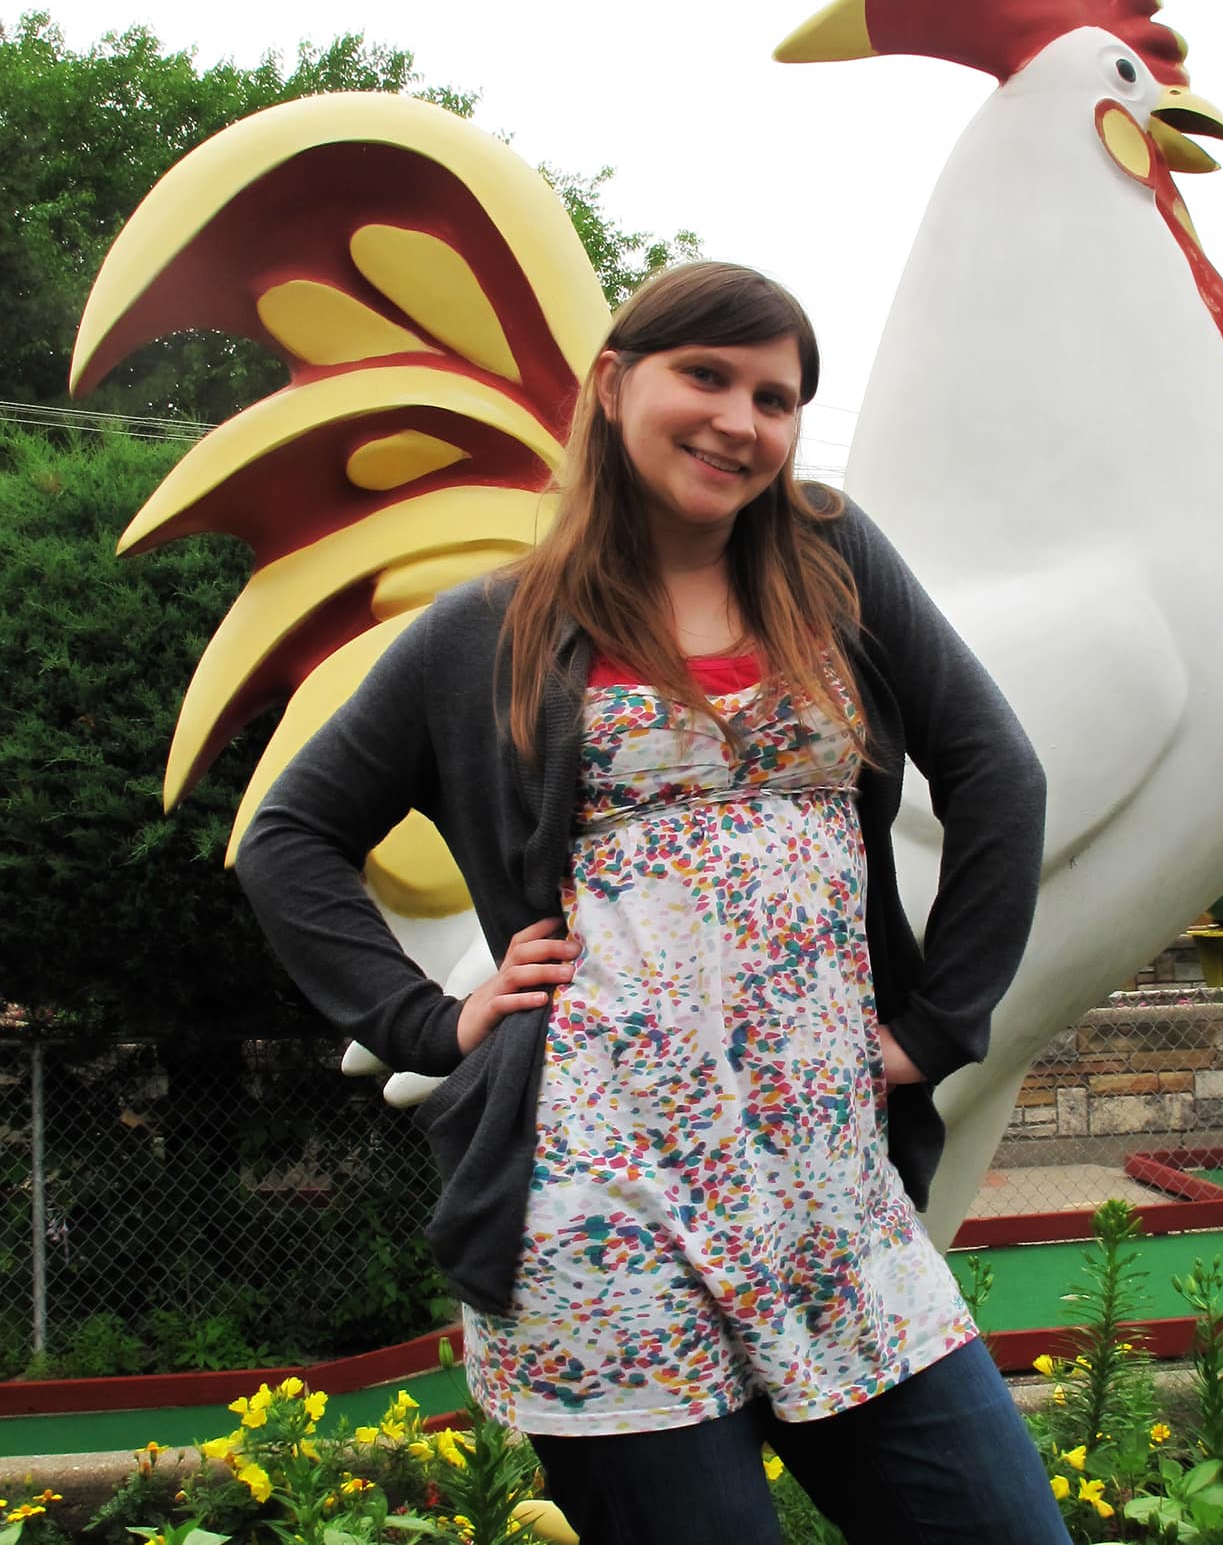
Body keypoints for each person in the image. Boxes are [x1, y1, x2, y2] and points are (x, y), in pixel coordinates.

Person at [237, 261, 1069, 1545]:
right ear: (616, 385)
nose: (743, 419)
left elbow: (996, 774)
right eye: (707, 376)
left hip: (830, 1195)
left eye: (777, 397)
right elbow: (289, 838)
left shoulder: (834, 566)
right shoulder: (491, 630)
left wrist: (942, 1024)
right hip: (600, 1211)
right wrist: (428, 1021)